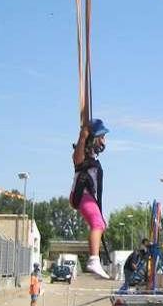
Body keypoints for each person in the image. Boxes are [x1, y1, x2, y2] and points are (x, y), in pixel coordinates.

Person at [70, 118, 110, 279]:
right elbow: (77, 159)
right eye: (101, 136)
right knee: (97, 223)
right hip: (81, 196)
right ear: (93, 138)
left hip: (88, 197)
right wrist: (82, 136)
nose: (104, 140)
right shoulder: (82, 157)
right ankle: (94, 260)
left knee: (101, 224)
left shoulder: (92, 157)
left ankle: (95, 259)